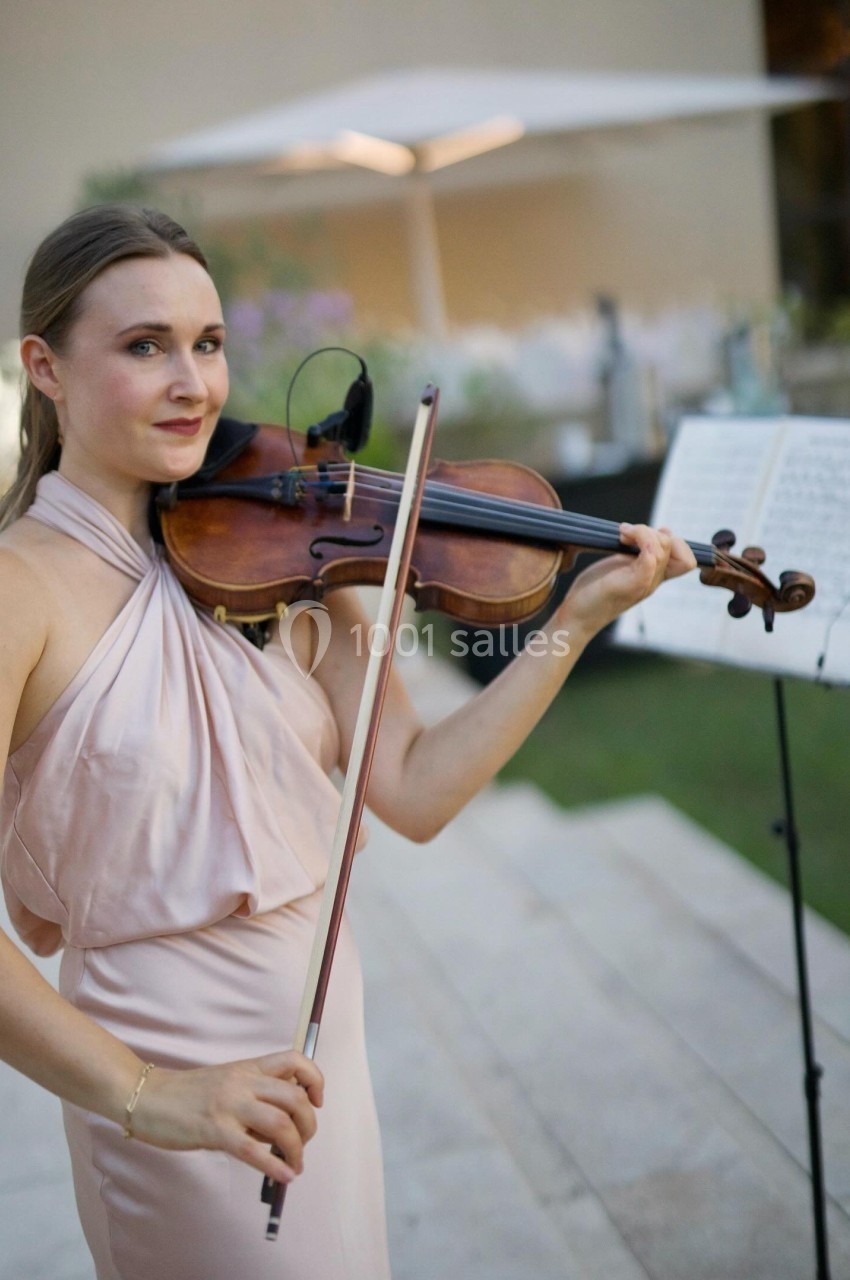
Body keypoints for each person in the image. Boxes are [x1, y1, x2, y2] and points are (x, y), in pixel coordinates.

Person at [0, 203, 695, 1280]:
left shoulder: (278, 548)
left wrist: (575, 619)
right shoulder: (20, 589)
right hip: (161, 1067)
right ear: (44, 366)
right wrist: (147, 1093)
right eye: (144, 346)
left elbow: (413, 787)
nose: (193, 383)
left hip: (317, 1049)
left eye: (208, 343)